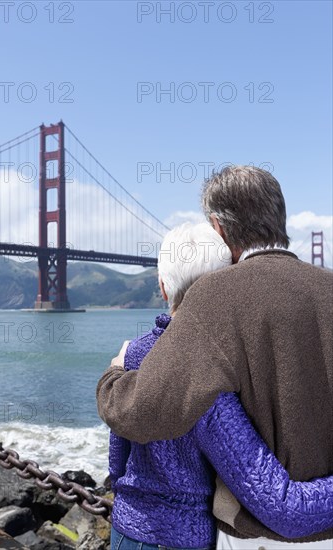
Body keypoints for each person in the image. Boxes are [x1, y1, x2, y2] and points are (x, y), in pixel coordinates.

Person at [98, 166, 333, 549]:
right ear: (280, 216)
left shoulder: (215, 294)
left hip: (259, 534)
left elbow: (141, 410)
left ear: (218, 229)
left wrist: (114, 376)